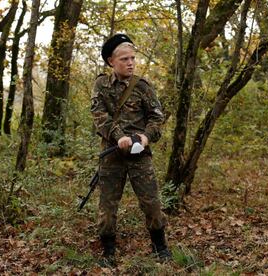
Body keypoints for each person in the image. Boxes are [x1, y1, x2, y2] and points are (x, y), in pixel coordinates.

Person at [91, 33, 171, 266]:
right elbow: (99, 116)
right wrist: (119, 137)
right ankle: (108, 250)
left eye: (132, 58)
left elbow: (157, 118)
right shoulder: (101, 85)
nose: (130, 63)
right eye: (124, 58)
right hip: (112, 156)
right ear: (111, 62)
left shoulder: (143, 87)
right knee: (107, 206)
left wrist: (146, 136)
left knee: (152, 204)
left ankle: (160, 247)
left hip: (140, 156)